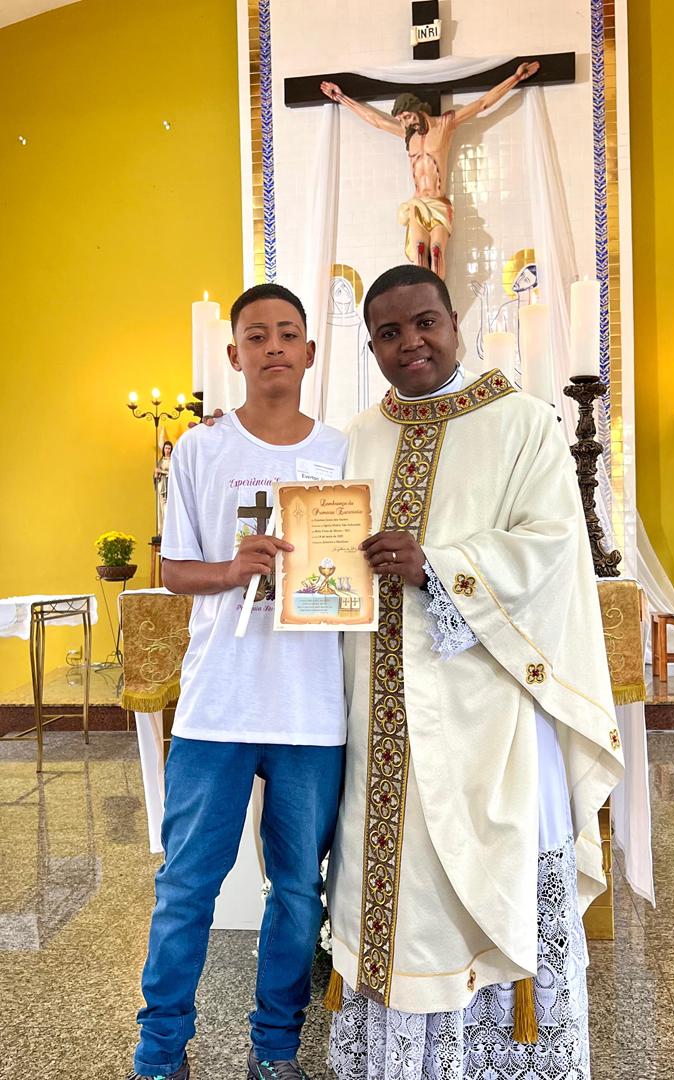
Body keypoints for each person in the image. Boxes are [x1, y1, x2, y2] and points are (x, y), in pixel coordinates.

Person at [323, 265, 624, 1080]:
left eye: (425, 322)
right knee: (392, 889)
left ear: (456, 322)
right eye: (388, 333)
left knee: (475, 883)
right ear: (371, 346)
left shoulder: (522, 422)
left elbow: (552, 547)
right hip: (377, 716)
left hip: (490, 715)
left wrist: (440, 565)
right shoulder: (359, 435)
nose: (410, 343)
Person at [129, 283, 347, 1080]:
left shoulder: (344, 452)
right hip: (218, 702)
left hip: (311, 705)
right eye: (257, 336)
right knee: (186, 885)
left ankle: (275, 1049)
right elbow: (174, 569)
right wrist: (233, 568)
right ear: (234, 355)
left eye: (288, 333)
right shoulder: (200, 449)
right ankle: (160, 1053)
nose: (274, 346)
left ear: (310, 352)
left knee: (298, 890)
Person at [320, 62, 539, 279]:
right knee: (419, 250)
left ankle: (438, 295)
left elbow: (482, 104)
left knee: (436, 251)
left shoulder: (444, 125)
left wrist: (516, 78)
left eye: (407, 117)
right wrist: (341, 97)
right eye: (401, 120)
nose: (406, 123)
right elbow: (376, 121)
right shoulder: (407, 134)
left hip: (439, 202)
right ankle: (423, 294)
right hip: (418, 204)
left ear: (418, 110)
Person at [153, 439, 173, 536]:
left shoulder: (173, 461)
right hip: (161, 485)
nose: (167, 450)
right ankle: (161, 531)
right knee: (161, 508)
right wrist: (156, 474)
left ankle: (168, 530)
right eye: (166, 448)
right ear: (163, 449)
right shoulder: (160, 461)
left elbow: (173, 473)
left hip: (169, 486)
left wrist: (162, 472)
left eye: (169, 448)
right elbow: (156, 476)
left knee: (167, 508)